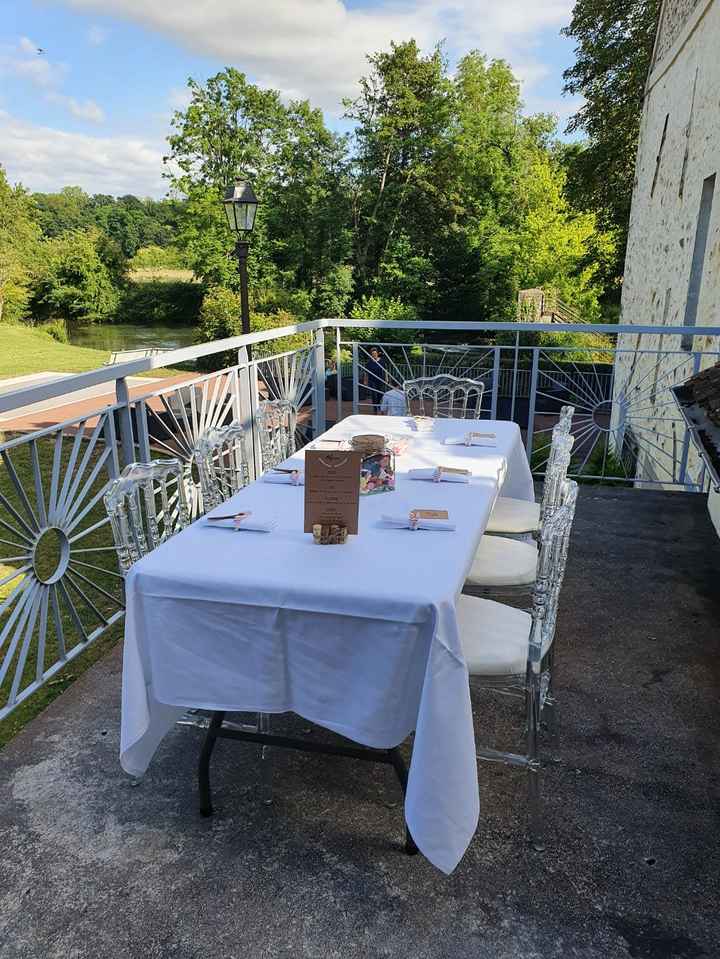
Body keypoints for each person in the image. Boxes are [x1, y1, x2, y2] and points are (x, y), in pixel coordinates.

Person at [363, 347, 386, 412]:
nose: (374, 355)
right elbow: (366, 372)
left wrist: (386, 379)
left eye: (375, 353)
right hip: (372, 380)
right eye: (373, 354)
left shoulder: (382, 361)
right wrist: (365, 380)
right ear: (371, 354)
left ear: (377, 353)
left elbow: (385, 370)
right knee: (374, 394)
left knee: (380, 394)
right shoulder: (369, 363)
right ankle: (375, 408)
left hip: (380, 380)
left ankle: (378, 404)